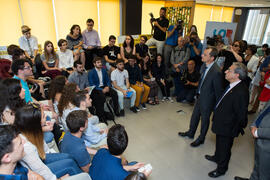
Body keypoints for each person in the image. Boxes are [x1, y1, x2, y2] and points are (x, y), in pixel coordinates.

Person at [14, 104, 82, 180]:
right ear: (36, 123)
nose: (46, 116)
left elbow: (45, 150)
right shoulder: (27, 147)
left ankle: (80, 174)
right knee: (70, 164)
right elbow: (40, 170)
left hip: (40, 158)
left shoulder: (31, 132)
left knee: (68, 156)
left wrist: (42, 126)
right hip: (35, 171)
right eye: (43, 116)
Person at [205, 62, 249, 178]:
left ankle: (221, 169)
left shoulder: (240, 92)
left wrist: (238, 128)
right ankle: (216, 157)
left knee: (225, 148)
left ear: (237, 75)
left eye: (229, 70)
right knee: (219, 142)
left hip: (228, 126)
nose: (225, 71)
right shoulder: (232, 84)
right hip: (222, 123)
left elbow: (241, 114)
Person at [178, 47, 223, 147]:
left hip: (207, 100)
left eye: (205, 55)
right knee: (194, 116)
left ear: (212, 58)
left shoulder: (216, 72)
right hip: (199, 96)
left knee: (204, 120)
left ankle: (201, 138)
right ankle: (191, 132)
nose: (202, 55)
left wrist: (216, 107)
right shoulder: (204, 65)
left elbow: (218, 91)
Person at [234, 101, 270, 180]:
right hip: (260, 141)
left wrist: (258, 132)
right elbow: (263, 112)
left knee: (264, 175)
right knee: (257, 166)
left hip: (267, 146)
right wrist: (254, 124)